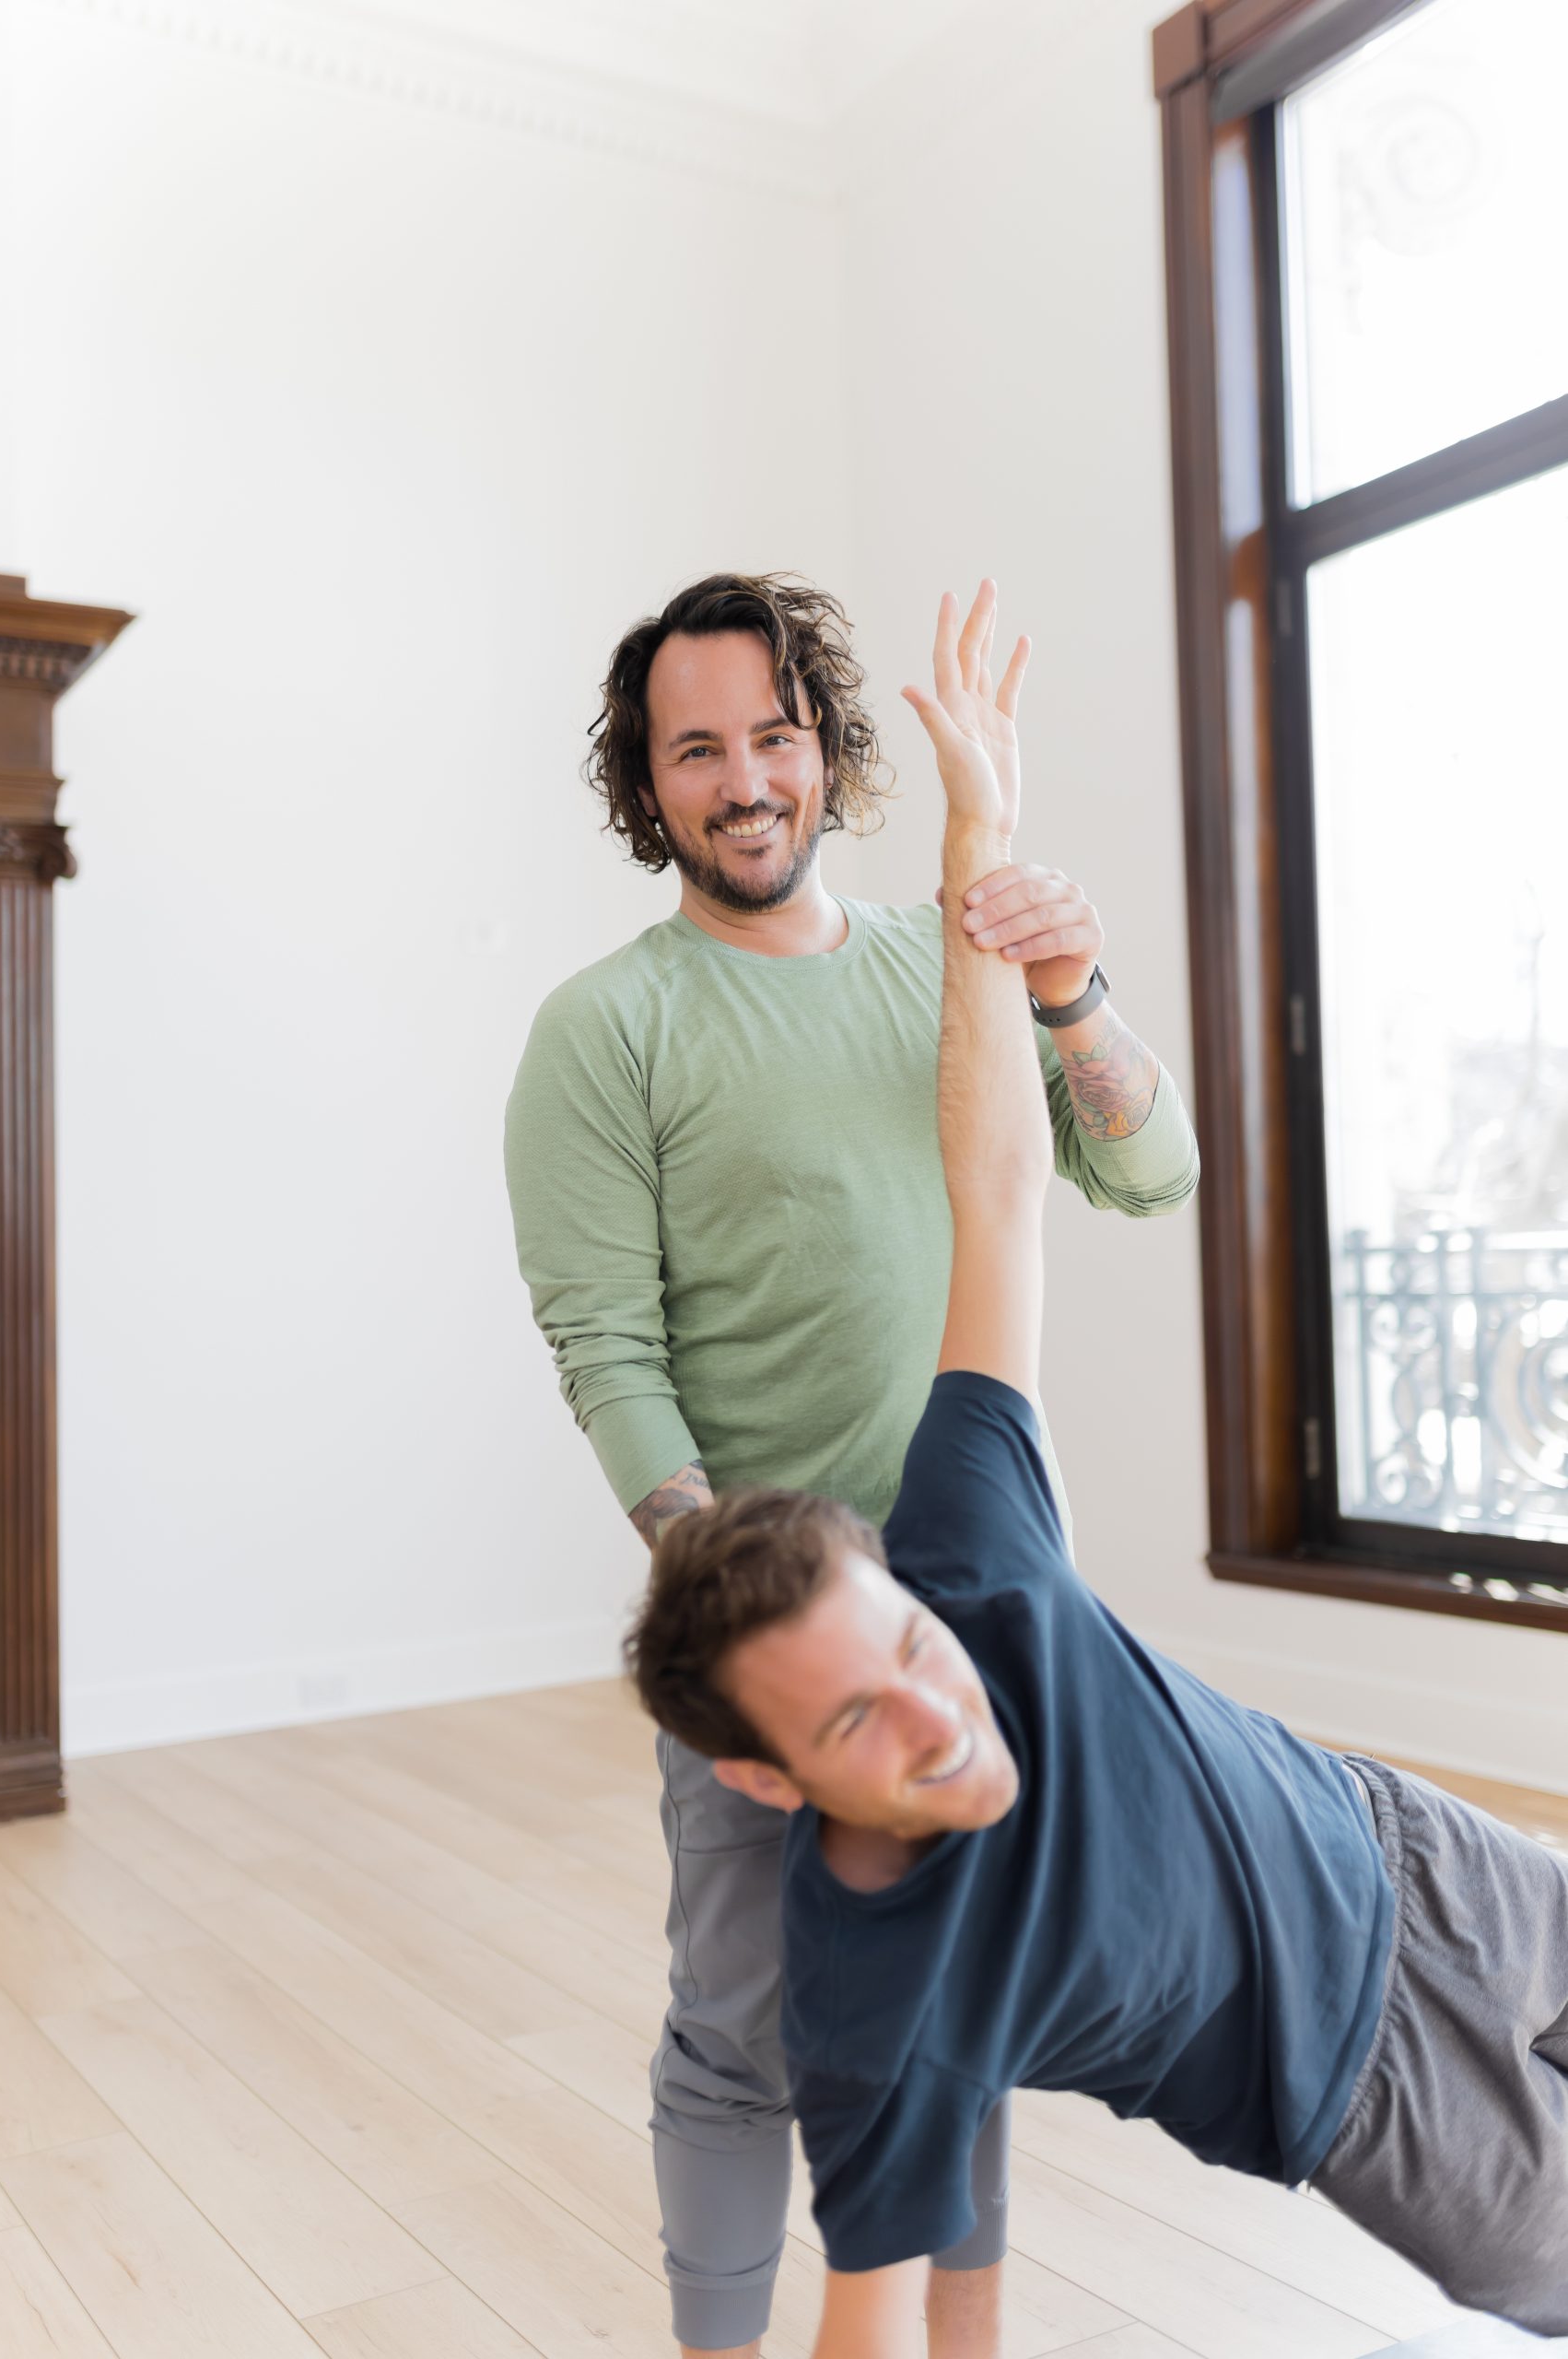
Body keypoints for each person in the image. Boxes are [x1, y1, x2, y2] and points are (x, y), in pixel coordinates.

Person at [625, 586, 1568, 2357]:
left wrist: (991, 831)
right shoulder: (875, 1990)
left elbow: (1014, 1187)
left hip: (1416, 1853)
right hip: (1377, 2100)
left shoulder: (967, 1558)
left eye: (907, 1659)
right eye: (856, 1733)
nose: (942, 1716)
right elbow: (883, 2306)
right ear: (768, 1784)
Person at [504, 572, 1200, 2355]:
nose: (745, 779)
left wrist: (1063, 989)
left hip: (971, 1597)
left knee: (956, 2011)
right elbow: (612, 1356)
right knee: (742, 2032)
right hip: (768, 1623)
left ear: (827, 749)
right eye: (697, 750)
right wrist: (743, 1626)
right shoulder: (607, 1030)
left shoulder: (943, 953)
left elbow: (1147, 1171)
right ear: (643, 783)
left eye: (775, 735)